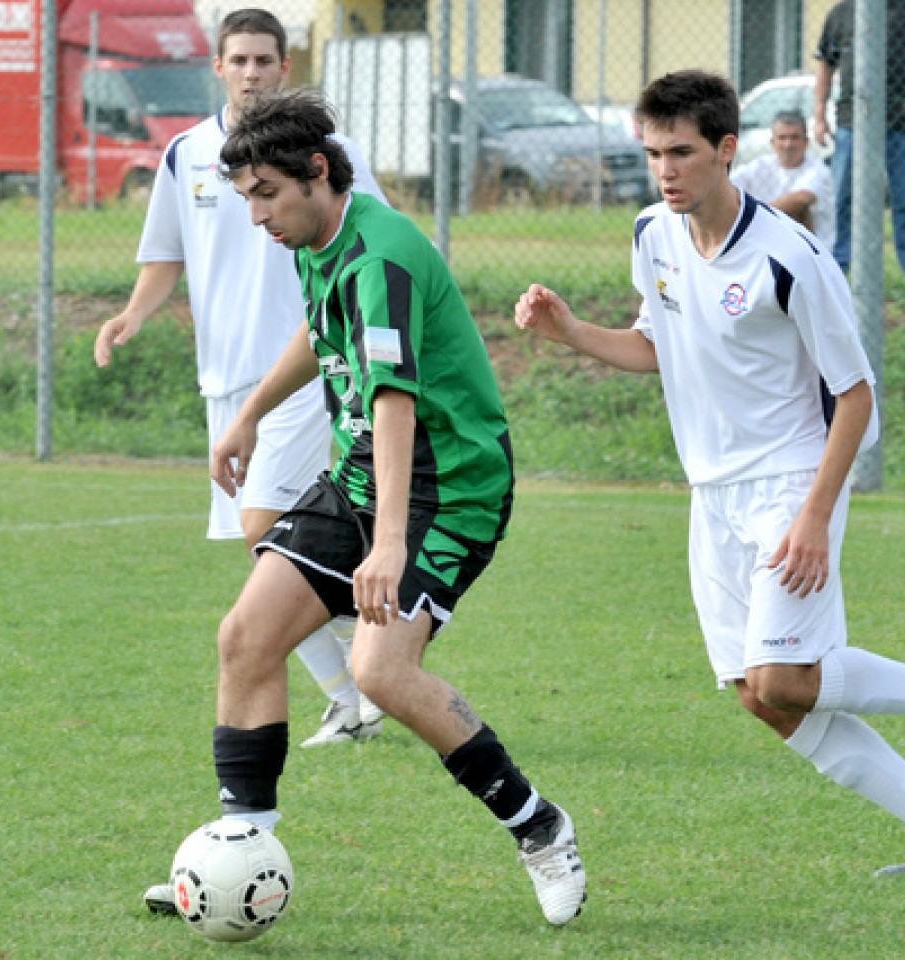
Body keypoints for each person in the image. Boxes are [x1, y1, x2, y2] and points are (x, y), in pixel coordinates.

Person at [515, 70, 905, 877]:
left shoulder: (792, 256)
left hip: (792, 480)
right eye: (652, 154)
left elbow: (855, 397)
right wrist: (570, 330)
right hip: (711, 493)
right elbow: (658, 344)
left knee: (784, 674)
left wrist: (816, 513)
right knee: (762, 695)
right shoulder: (652, 233)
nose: (665, 170)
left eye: (681, 152)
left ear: (726, 150)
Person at [183, 86, 587, 926]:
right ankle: (240, 856)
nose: (257, 216)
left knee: (379, 671)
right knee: (245, 639)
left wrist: (389, 545)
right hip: (365, 470)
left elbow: (396, 400)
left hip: (453, 487)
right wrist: (251, 412)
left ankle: (539, 825)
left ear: (317, 172)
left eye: (266, 194)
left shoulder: (383, 256)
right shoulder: (315, 237)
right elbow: (319, 331)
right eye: (246, 197)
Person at [94, 8, 388, 781]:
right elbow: (166, 257)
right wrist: (132, 314)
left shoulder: (328, 155)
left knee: (268, 528)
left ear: (284, 67)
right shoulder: (188, 153)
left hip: (300, 372)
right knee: (265, 548)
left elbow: (380, 241)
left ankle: (371, 655)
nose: (252, 72)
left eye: (266, 60)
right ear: (217, 68)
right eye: (239, 60)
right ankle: (361, 676)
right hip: (222, 378)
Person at [813, 0, 905, 274]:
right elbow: (825, 63)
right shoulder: (841, 13)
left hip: (902, 120)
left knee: (904, 197)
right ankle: (839, 263)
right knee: (843, 196)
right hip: (851, 122)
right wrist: (819, 115)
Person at [730, 110, 836, 249]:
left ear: (806, 142)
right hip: (766, 244)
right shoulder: (760, 165)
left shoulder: (818, 169)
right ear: (772, 142)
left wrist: (750, 220)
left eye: (794, 137)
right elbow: (727, 186)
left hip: (812, 250)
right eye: (782, 137)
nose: (788, 144)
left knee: (799, 211)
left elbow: (802, 199)